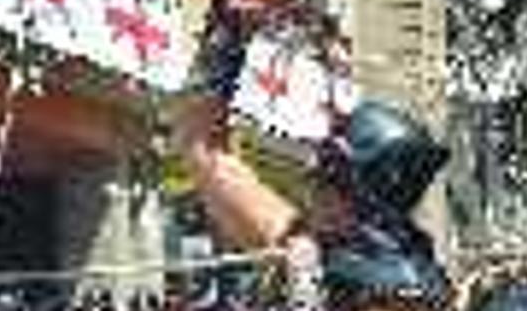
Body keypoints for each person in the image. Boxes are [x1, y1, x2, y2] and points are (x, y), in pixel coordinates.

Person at [173, 95, 452, 311]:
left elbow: (200, 148)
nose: (312, 194)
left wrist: (305, 294)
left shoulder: (401, 280)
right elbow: (203, 152)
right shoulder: (311, 248)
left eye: (324, 183)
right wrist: (228, 40)